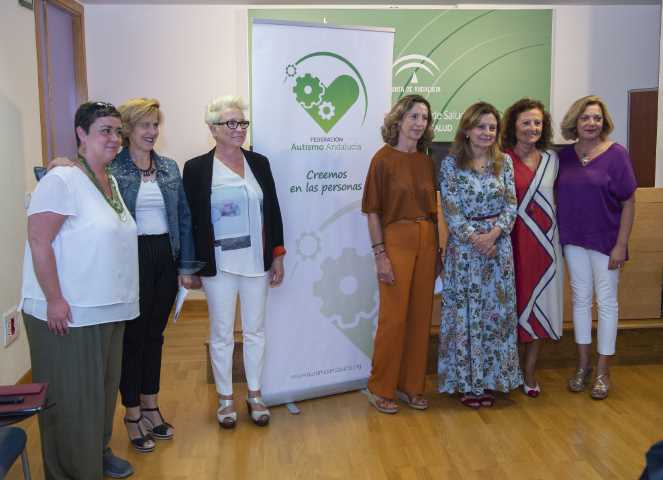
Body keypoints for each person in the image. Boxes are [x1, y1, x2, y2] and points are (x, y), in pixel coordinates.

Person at [48, 98, 201, 452]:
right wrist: (61, 163)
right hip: (130, 257)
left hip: (164, 255)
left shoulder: (168, 167)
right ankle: (131, 413)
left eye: (156, 125)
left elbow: (184, 217)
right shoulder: (112, 167)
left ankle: (151, 404)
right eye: (145, 125)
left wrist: (186, 267)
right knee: (132, 338)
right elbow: (79, 174)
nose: (152, 131)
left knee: (155, 336)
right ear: (129, 129)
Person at [21, 101, 137, 479]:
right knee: (72, 399)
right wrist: (54, 299)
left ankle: (96, 454)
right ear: (81, 134)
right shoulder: (62, 180)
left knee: (101, 394)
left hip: (108, 307)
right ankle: (71, 471)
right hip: (70, 311)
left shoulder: (110, 180)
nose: (114, 138)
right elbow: (39, 240)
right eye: (105, 130)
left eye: (118, 131)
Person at [183, 95, 285, 428]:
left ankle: (255, 394)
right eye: (231, 123)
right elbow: (189, 220)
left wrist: (277, 255)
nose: (239, 129)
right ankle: (225, 398)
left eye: (242, 123)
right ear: (212, 128)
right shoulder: (196, 169)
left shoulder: (260, 163)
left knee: (255, 330)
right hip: (219, 264)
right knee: (222, 332)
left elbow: (273, 211)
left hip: (257, 261)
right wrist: (190, 265)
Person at [438, 101, 522, 408]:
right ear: (467, 129)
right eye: (480, 126)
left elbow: (511, 203)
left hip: (498, 250)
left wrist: (494, 234)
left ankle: (494, 380)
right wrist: (476, 238)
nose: (486, 132)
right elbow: (451, 209)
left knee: (495, 315)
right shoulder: (450, 164)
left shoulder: (505, 162)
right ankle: (468, 384)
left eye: (492, 127)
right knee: (466, 316)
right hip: (464, 252)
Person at [361, 94, 440, 414]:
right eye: (413, 117)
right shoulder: (382, 160)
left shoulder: (426, 161)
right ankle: (379, 387)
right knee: (393, 318)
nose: (419, 123)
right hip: (396, 240)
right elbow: (372, 212)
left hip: (427, 239)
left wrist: (438, 251)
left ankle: (411, 385)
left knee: (421, 317)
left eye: (424, 118)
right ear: (399, 120)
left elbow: (435, 210)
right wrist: (380, 254)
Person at [556, 95, 636, 399]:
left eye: (597, 118)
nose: (591, 123)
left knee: (606, 303)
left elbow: (629, 202)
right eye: (585, 117)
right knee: (580, 301)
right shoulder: (564, 157)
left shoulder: (617, 155)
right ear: (575, 122)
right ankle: (583, 365)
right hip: (573, 240)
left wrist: (621, 245)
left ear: (604, 122)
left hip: (606, 243)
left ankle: (603, 371)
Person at [500, 98, 564, 397]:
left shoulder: (553, 160)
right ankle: (508, 369)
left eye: (537, 122)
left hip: (544, 247)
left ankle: (529, 371)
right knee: (511, 305)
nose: (532, 128)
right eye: (526, 122)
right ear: (514, 126)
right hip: (511, 243)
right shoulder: (501, 159)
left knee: (539, 305)